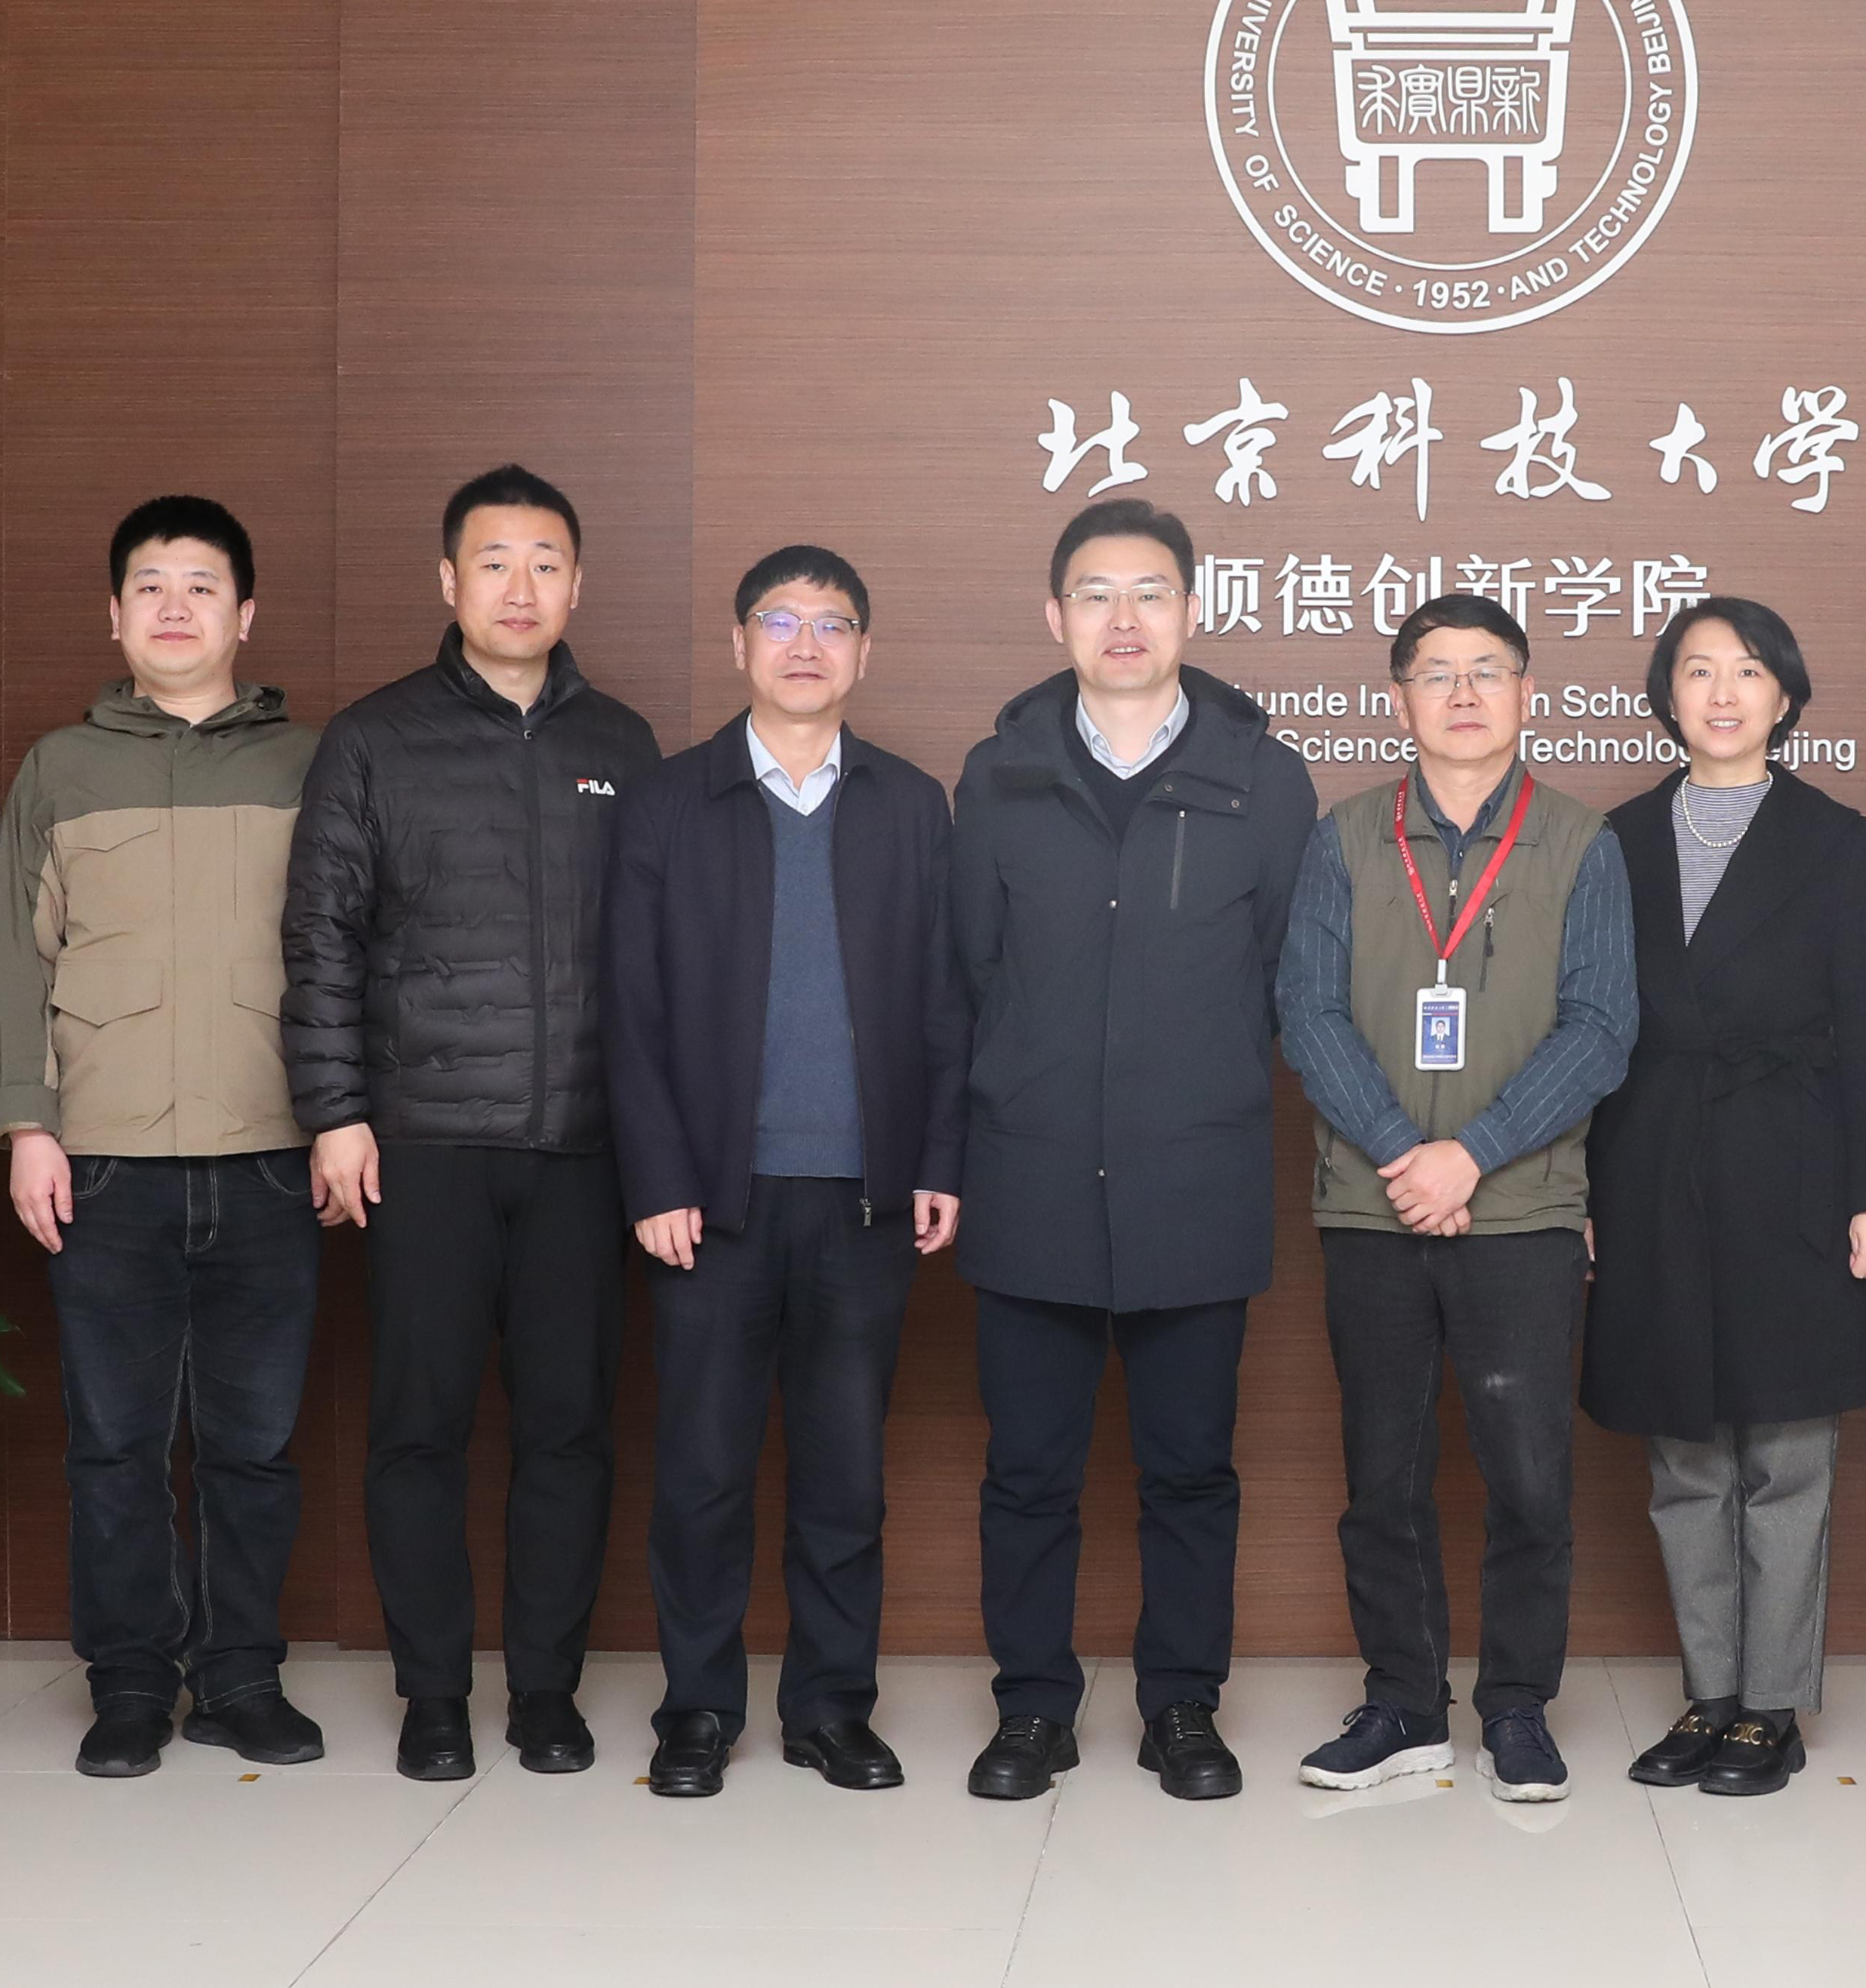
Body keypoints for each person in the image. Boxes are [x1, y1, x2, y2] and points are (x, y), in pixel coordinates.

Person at [282, 465, 660, 1782]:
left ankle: (545, 1691)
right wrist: (335, 1112)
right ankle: (433, 1695)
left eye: (544, 561)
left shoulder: (623, 745)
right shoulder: (373, 738)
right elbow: (319, 938)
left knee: (569, 1430)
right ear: (448, 581)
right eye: (493, 561)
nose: (519, 586)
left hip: (582, 1151)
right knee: (418, 1429)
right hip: (423, 1144)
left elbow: (661, 961)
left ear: (577, 584)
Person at [950, 501, 1316, 1804]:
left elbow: (1281, 978)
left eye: (1150, 592)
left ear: (1191, 612)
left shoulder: (1264, 777)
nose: (1123, 618)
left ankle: (1181, 1706)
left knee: (1190, 1469)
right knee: (1027, 1471)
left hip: (1192, 1176)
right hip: (1031, 1169)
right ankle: (1031, 1708)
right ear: (1054, 616)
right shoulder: (996, 773)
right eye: (1095, 594)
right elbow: (972, 974)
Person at [603, 546, 966, 1799]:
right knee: (702, 1472)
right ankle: (698, 1710)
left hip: (864, 1196)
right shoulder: (670, 799)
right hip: (712, 1200)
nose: (805, 644)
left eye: (832, 624)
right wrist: (657, 1177)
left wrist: (936, 1158)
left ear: (865, 652)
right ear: (739, 644)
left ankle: (830, 1708)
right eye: (780, 620)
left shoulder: (910, 803)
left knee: (844, 1476)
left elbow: (945, 998)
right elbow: (630, 1006)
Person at [1277, 592, 1637, 1802]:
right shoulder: (1342, 837)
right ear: (1400, 700)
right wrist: (1403, 1152)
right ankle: (1402, 1702)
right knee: (1381, 1472)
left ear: (1528, 692)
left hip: (1521, 1209)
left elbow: (1600, 1027)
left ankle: (1518, 1705)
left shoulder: (1581, 841)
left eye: (1488, 669)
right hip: (1372, 1204)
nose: (1465, 692)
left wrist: (1470, 1153)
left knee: (1527, 1474)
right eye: (1437, 672)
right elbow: (1306, 1011)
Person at [1, 499, 325, 1778]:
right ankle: (131, 1681)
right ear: (115, 615)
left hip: (271, 1152)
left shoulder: (311, 764)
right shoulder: (59, 769)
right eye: (150, 585)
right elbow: (17, 960)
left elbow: (354, 950)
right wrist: (27, 1123)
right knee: (115, 1444)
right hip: (102, 1161)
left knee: (256, 1444)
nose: (175, 606)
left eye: (201, 585)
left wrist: (345, 1119)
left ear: (246, 614)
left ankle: (241, 1675)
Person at [1581, 597, 1866, 1797]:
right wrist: (1582, 1186)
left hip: (1795, 1167)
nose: (1722, 693)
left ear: (1785, 696)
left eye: (1749, 670)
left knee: (1783, 1452)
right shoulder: (1615, 839)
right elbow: (1588, 1026)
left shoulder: (1833, 838)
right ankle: (1708, 1696)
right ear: (1665, 696)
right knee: (1683, 1458)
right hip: (1650, 1160)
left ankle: (1770, 1707)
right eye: (1697, 671)